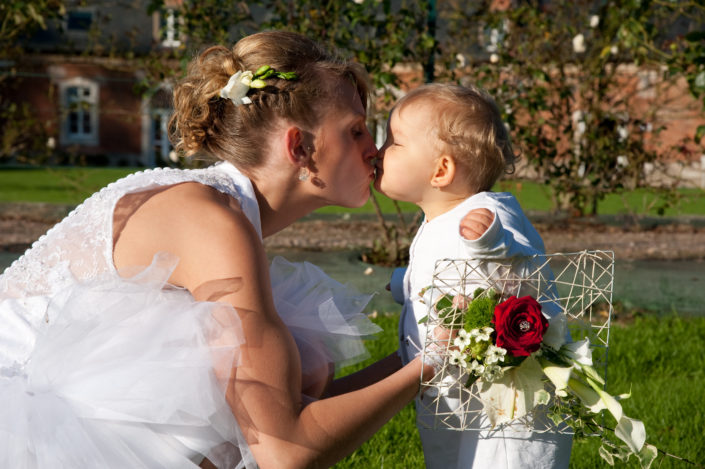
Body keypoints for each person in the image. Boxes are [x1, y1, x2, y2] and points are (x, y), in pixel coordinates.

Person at [0, 31, 438, 468]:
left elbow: (297, 417)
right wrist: (432, 365)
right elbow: (286, 452)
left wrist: (417, 359)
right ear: (299, 147)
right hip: (31, 427)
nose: (374, 151)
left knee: (298, 374)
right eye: (356, 131)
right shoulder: (212, 221)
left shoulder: (215, 205)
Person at [375, 83, 573, 469]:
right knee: (453, 456)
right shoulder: (441, 219)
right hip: (459, 399)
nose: (379, 152)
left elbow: (526, 271)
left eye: (393, 142)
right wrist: (407, 283)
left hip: (507, 409)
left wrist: (491, 244)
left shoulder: (488, 214)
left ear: (441, 169)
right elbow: (451, 272)